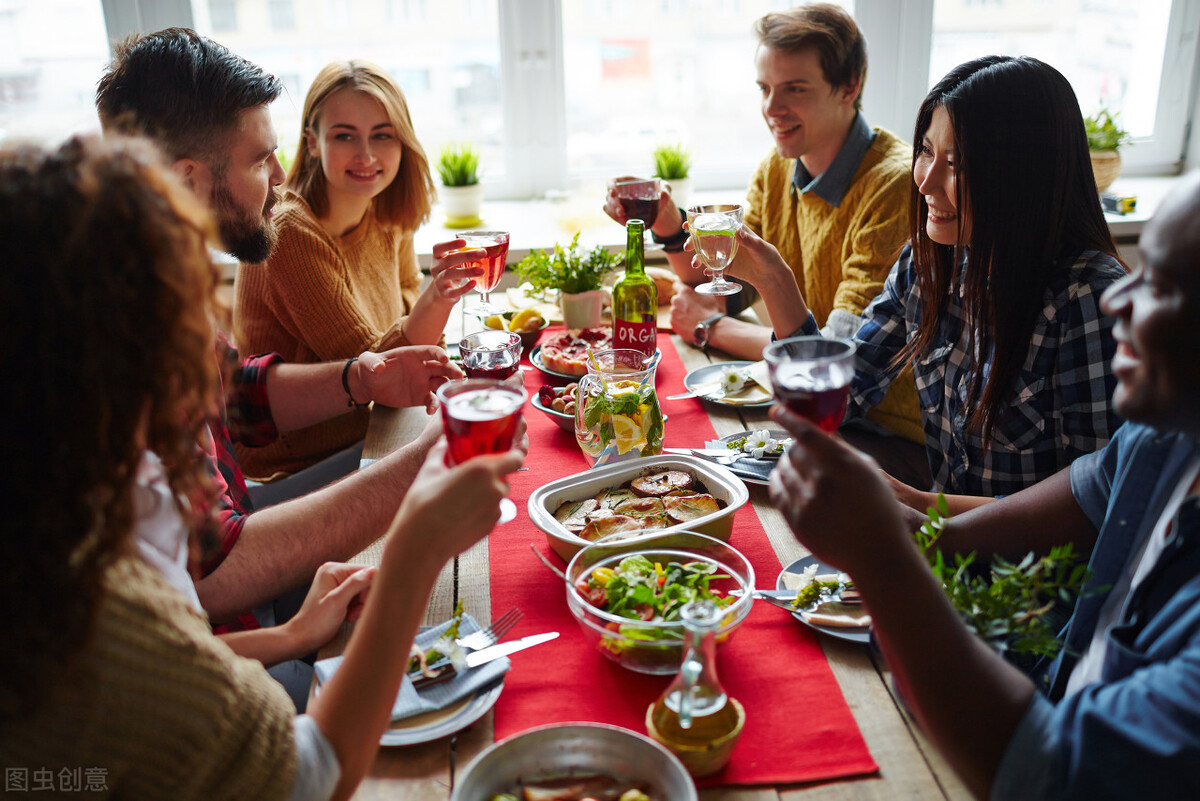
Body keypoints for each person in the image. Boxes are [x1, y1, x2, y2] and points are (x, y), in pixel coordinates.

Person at [0, 135, 523, 801]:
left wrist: (290, 634)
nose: (197, 354)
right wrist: (413, 554)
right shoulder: (97, 612)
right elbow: (311, 774)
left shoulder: (56, 503)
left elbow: (183, 652)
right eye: (177, 324)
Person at [768, 167, 1200, 800]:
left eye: (1158, 284)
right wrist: (919, 525)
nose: (1119, 300)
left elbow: (1046, 772)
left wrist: (883, 555)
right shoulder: (1164, 438)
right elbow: (1081, 494)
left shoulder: (1083, 298)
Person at [92, 29, 468, 643]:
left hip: (244, 532)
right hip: (219, 639)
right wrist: (428, 464)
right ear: (187, 180)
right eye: (259, 159)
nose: (280, 175)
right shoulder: (126, 333)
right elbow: (215, 574)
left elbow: (230, 395)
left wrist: (359, 379)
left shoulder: (159, 269)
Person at [728, 55, 1125, 506]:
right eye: (926, 152)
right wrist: (775, 282)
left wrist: (919, 505)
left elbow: (1094, 507)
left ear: (1023, 174)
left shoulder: (1088, 298)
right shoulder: (928, 263)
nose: (925, 182)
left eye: (956, 164)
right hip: (937, 533)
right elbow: (844, 395)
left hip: (1010, 552)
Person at [605, 3, 927, 486]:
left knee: (688, 470)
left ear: (849, 86)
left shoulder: (892, 184)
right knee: (659, 463)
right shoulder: (777, 168)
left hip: (886, 437)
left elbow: (832, 362)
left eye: (795, 89)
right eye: (765, 88)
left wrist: (713, 329)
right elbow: (726, 281)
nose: (772, 109)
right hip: (811, 411)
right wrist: (669, 223)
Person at [233, 60, 480, 480]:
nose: (366, 155)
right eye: (344, 136)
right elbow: (382, 373)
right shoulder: (290, 232)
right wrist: (438, 298)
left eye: (382, 135)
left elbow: (411, 315)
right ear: (312, 143)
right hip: (298, 469)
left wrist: (426, 307)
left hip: (373, 433)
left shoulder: (384, 207)